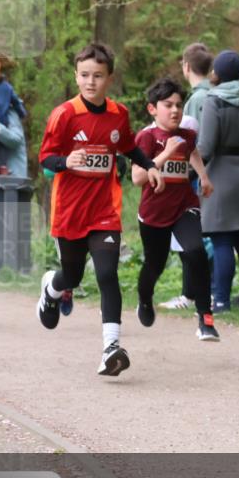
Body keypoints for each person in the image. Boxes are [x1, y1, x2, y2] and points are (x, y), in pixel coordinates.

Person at [35, 42, 161, 376]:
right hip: (69, 211)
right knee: (72, 276)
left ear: (109, 78)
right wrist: (66, 161)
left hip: (105, 210)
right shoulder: (64, 114)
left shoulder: (118, 114)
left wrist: (150, 166)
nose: (91, 82)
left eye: (98, 76)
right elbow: (45, 157)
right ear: (76, 76)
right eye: (85, 75)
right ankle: (51, 288)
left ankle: (111, 348)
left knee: (107, 274)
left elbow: (129, 146)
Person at [130, 77, 219, 341]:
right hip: (154, 213)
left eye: (179, 105)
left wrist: (203, 176)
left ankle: (205, 319)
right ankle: (144, 299)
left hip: (184, 206)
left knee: (196, 251)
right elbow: (137, 178)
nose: (175, 110)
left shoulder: (187, 135)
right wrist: (165, 154)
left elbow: (192, 152)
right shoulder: (146, 137)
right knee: (154, 265)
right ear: (152, 109)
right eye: (168, 105)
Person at [197, 50, 239, 313]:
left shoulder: (213, 102)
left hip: (220, 177)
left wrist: (194, 174)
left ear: (217, 73)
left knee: (222, 242)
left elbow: (206, 147)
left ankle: (222, 300)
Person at [161, 42, 215, 311]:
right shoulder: (217, 95)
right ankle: (206, 292)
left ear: (186, 67)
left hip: (195, 177)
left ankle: (191, 294)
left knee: (191, 238)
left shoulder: (195, 101)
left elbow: (189, 144)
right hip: (215, 174)